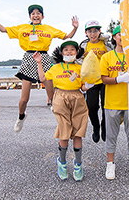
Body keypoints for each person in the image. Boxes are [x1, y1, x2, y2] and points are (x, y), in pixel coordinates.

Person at [0, 4, 79, 132]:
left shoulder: (48, 29)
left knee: (52, 96)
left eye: (38, 13)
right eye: (33, 13)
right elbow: (3, 29)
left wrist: (75, 28)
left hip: (43, 58)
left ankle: (62, 122)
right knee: (24, 99)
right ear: (30, 16)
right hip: (29, 58)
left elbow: (67, 36)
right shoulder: (23, 28)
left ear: (42, 16)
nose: (36, 15)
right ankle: (21, 116)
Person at [100, 25, 129, 180]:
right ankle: (110, 164)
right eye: (119, 35)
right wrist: (118, 79)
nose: (122, 37)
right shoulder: (107, 57)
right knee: (111, 135)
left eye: (125, 34)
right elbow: (104, 79)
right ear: (114, 37)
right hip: (112, 102)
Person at [45, 39, 89, 180]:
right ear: (61, 52)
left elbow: (83, 86)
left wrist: (89, 85)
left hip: (77, 97)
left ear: (77, 52)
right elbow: (42, 78)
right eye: (66, 50)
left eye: (72, 49)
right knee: (64, 131)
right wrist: (39, 63)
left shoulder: (80, 68)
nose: (69, 52)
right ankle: (62, 162)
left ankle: (78, 164)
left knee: (78, 132)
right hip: (60, 96)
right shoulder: (55, 68)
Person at [81, 21, 109, 144]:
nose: (93, 34)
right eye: (90, 31)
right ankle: (96, 127)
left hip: (104, 79)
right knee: (91, 107)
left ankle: (104, 127)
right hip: (91, 81)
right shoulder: (83, 45)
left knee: (105, 106)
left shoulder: (105, 44)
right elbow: (78, 61)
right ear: (86, 33)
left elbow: (112, 57)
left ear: (99, 32)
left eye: (95, 31)